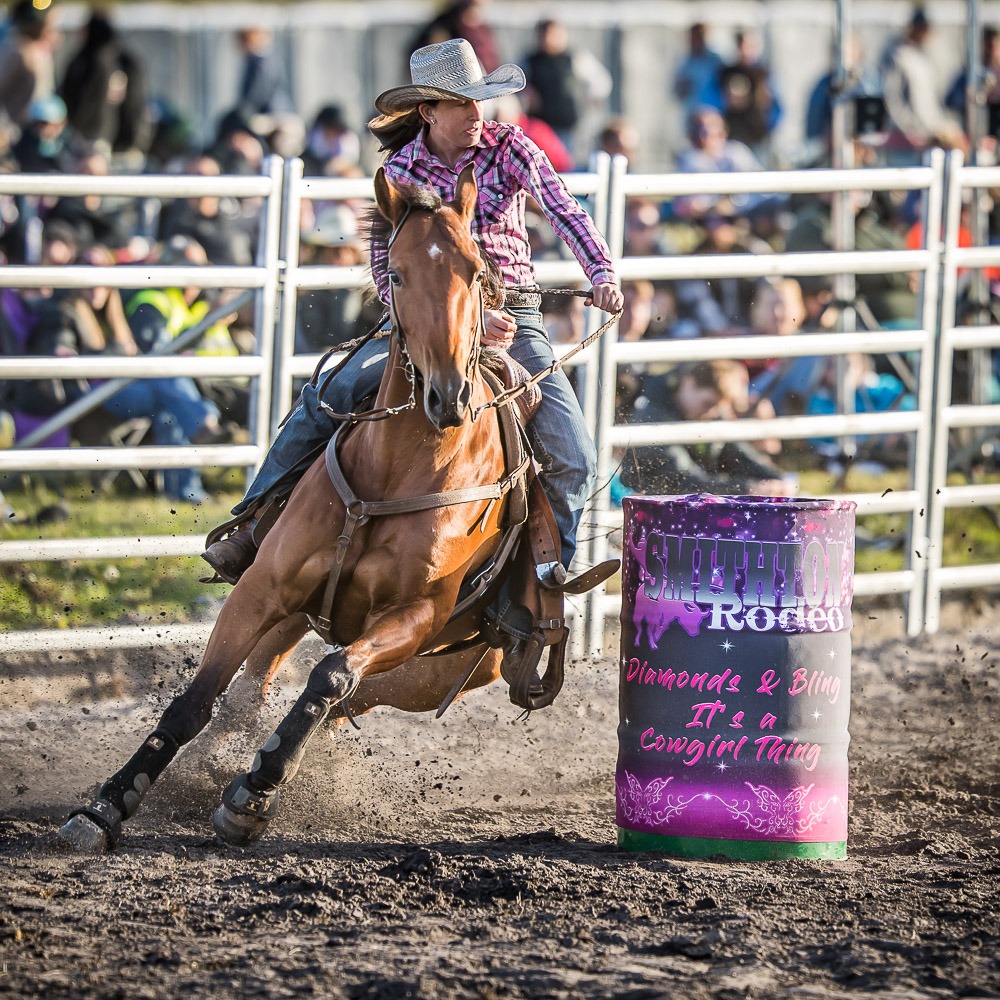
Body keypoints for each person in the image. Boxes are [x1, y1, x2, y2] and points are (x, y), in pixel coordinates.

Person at [202, 39, 624, 617]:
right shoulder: (398, 174)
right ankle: (252, 524)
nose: (479, 115)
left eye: (482, 103)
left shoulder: (513, 149)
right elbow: (384, 270)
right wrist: (463, 319)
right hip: (420, 322)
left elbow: (565, 210)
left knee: (572, 451)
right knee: (328, 394)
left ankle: (543, 581)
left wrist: (600, 271)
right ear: (429, 112)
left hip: (515, 315)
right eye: (464, 105)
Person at [616, 360, 791, 499]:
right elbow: (686, 481)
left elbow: (738, 454)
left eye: (718, 408)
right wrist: (748, 488)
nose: (711, 413)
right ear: (688, 383)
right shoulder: (653, 418)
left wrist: (776, 478)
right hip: (650, 507)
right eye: (707, 404)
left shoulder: (708, 415)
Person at [879, 7, 967, 164]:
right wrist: (910, 130)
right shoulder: (897, 56)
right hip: (905, 143)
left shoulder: (922, 57)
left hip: (927, 139)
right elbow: (892, 100)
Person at [58, 9, 151, 156]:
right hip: (116, 140)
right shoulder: (125, 60)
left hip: (92, 139)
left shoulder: (92, 62)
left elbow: (82, 101)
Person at [520, 18, 611, 160]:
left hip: (568, 126)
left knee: (566, 165)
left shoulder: (574, 58)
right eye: (544, 34)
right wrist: (526, 93)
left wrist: (589, 101)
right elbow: (512, 83)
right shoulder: (529, 61)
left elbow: (601, 82)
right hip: (539, 127)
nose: (547, 39)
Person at [672, 22, 724, 123]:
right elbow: (675, 91)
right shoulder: (684, 63)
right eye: (693, 37)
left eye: (699, 37)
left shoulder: (715, 61)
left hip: (713, 115)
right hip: (692, 115)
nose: (696, 41)